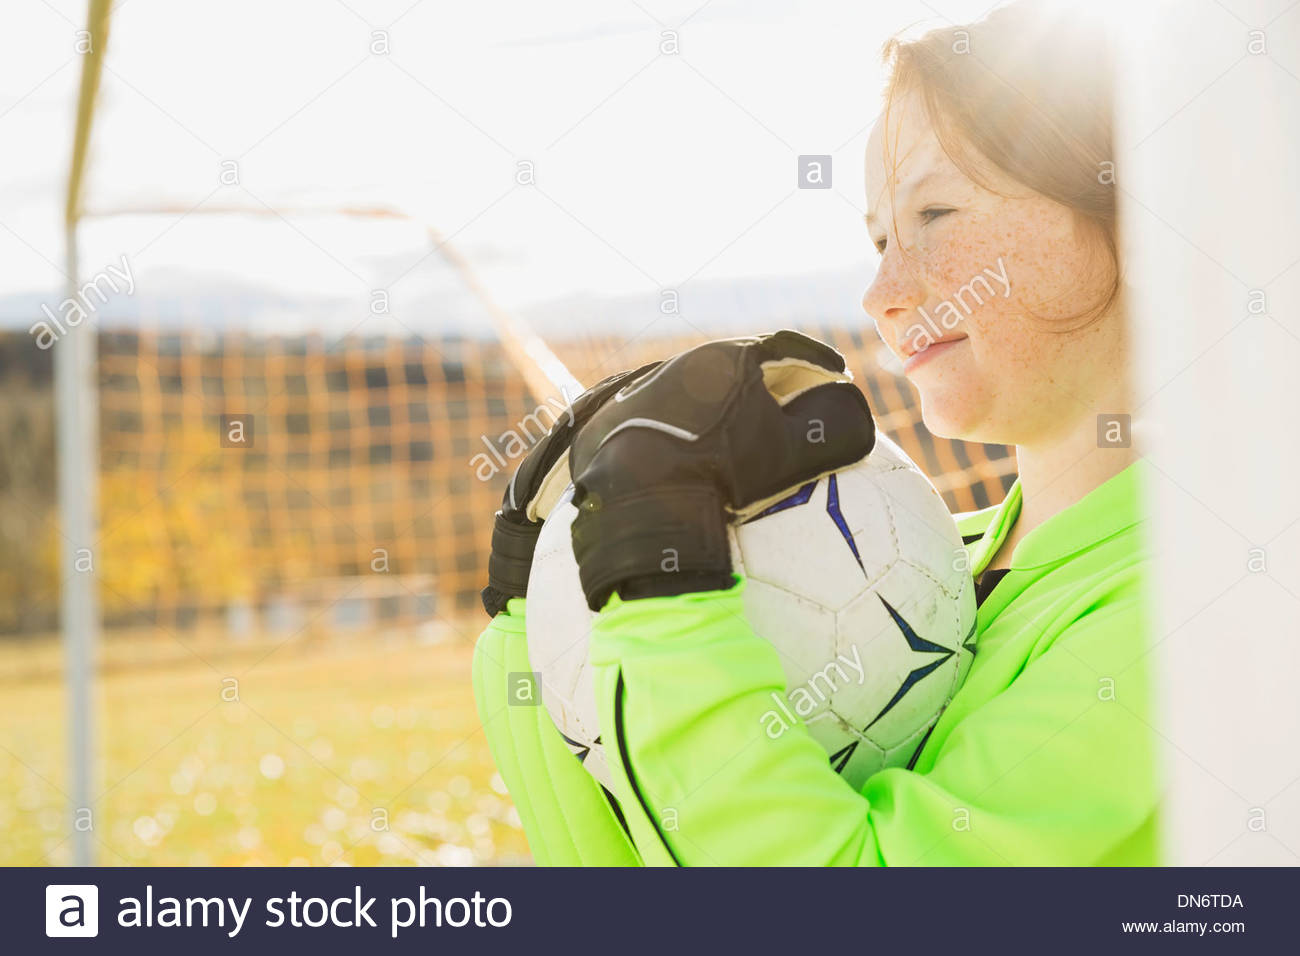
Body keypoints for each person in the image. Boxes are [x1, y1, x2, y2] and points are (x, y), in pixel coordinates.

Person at [473, 0, 1160, 866]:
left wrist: (663, 602)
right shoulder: (917, 557)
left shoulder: (1186, 616)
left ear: (1139, 213)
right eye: (877, 237)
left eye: (936, 216)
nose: (882, 293)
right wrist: (540, 622)